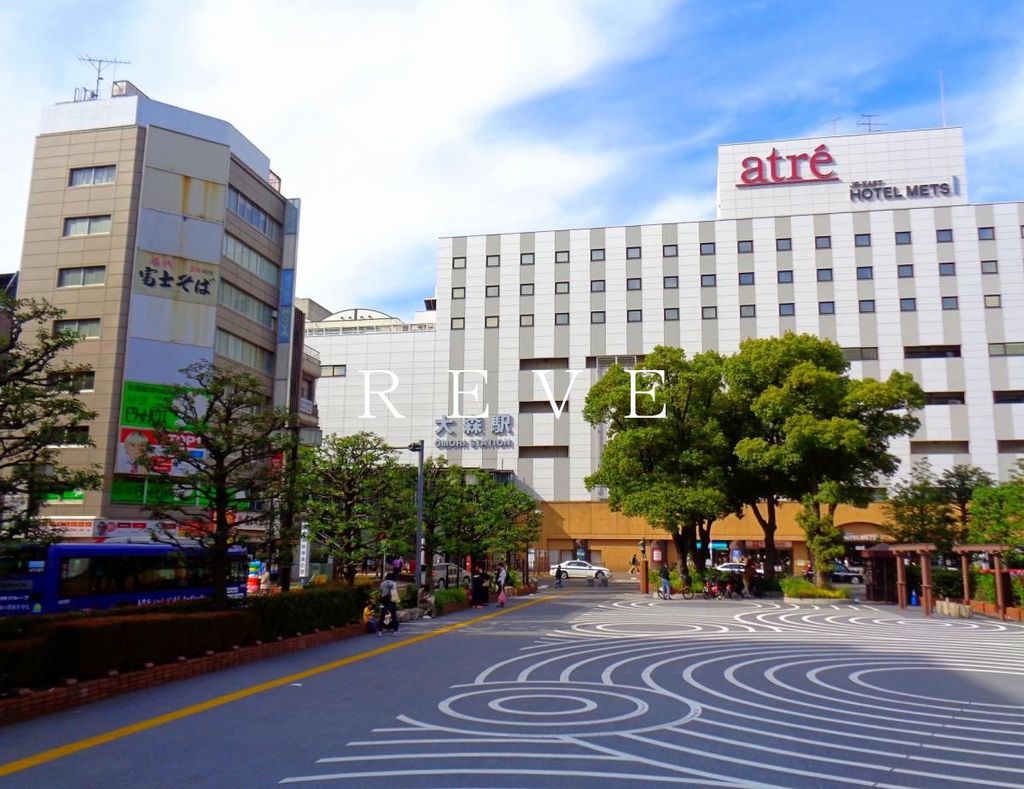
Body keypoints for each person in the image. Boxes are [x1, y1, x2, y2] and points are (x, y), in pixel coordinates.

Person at [378, 571, 400, 636]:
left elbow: (380, 591)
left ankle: (379, 631)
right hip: (391, 601)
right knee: (393, 616)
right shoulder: (393, 583)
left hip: (383, 600)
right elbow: (394, 593)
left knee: (382, 616)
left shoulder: (382, 583)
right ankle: (395, 631)